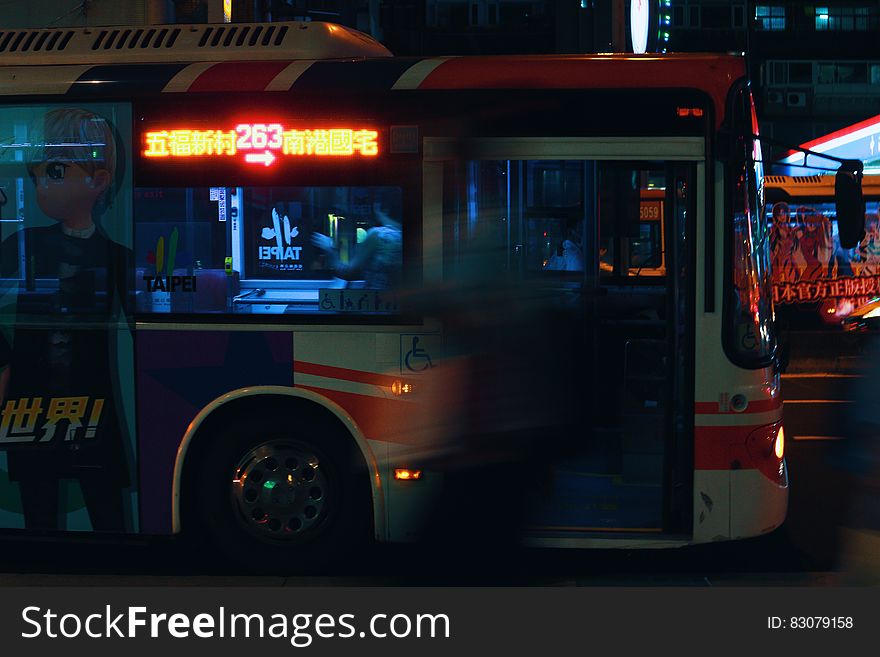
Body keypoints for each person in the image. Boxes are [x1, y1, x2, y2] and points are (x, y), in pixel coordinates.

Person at [0, 107, 132, 531]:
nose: (41, 184)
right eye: (37, 172)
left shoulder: (117, 258)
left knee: (104, 503)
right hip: (31, 403)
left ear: (99, 181)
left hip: (91, 404)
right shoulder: (23, 243)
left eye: (55, 170)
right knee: (39, 505)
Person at [311, 199, 402, 289]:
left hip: (377, 300)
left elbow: (348, 273)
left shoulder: (378, 235)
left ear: (383, 209)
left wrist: (329, 247)